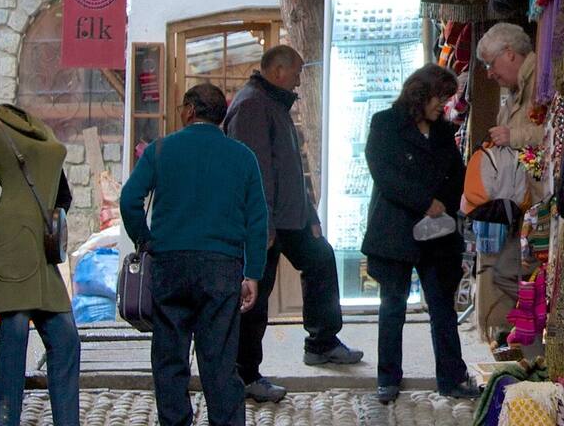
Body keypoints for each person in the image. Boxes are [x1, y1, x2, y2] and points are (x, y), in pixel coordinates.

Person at [120, 84, 269, 426]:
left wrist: (145, 240)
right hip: (222, 267)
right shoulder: (243, 157)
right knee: (220, 361)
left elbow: (129, 200)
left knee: (170, 358)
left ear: (189, 110)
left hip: (169, 264)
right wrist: (253, 273)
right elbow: (257, 220)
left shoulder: (160, 150)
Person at [223, 45, 362, 404]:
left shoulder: (274, 103)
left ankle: (322, 342)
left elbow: (290, 169)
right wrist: (264, 226)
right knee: (254, 297)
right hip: (266, 222)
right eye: (297, 72)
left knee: (320, 259)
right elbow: (255, 172)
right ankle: (244, 374)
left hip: (290, 218)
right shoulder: (252, 105)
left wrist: (310, 215)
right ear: (279, 71)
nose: (299, 80)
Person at [362, 64, 482, 404]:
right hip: (396, 230)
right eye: (439, 97)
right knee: (393, 306)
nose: (443, 105)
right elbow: (383, 173)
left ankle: (452, 377)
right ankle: (388, 378)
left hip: (438, 234)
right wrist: (423, 201)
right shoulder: (385, 123)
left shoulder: (443, 130)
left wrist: (443, 203)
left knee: (442, 307)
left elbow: (456, 173)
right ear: (420, 94)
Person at [0, 101, 81, 426]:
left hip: (32, 243)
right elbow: (64, 199)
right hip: (20, 241)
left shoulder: (37, 132)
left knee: (60, 338)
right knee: (22, 332)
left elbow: (62, 195)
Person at [470, 23, 547, 351]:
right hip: (519, 208)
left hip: (540, 205)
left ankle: (529, 348)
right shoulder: (516, 91)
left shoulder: (541, 80)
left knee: (529, 280)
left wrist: (513, 136)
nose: (489, 73)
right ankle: (515, 339)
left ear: (510, 54)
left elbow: (557, 131)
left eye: (491, 64)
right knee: (507, 274)